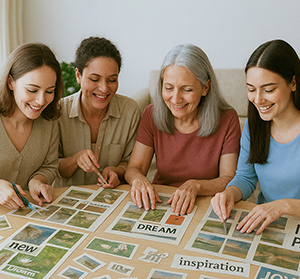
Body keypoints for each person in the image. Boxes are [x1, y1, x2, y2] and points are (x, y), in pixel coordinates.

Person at [125, 43, 241, 215]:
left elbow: (228, 178)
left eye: (187, 89)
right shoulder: (151, 114)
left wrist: (196, 185)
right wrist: (138, 180)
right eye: (169, 88)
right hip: (161, 201)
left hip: (206, 202)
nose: (176, 99)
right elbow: (134, 168)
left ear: (205, 88)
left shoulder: (228, 119)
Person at [211, 39, 300, 235]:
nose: (258, 100)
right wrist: (229, 193)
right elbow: (245, 177)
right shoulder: (255, 126)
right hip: (268, 226)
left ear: (293, 83)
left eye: (268, 90)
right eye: (251, 89)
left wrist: (282, 206)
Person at [54, 37, 141, 188]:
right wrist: (76, 159)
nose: (104, 88)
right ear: (78, 76)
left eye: (112, 80)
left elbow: (132, 163)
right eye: (95, 79)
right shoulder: (59, 112)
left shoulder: (130, 111)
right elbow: (52, 168)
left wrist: (116, 171)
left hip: (112, 199)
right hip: (67, 199)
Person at [0, 42, 64, 210]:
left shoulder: (49, 122)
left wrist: (37, 181)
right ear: (10, 82)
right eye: (32, 90)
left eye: (49, 91)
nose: (41, 101)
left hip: (21, 217)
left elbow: (50, 166)